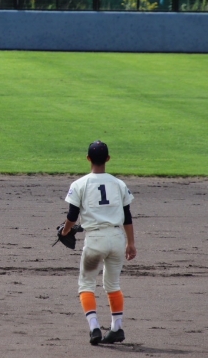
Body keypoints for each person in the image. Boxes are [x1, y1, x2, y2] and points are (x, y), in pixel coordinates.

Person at [59, 141, 136, 345]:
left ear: (88, 159)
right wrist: (131, 243)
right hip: (117, 239)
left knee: (86, 284)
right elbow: (127, 216)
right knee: (113, 284)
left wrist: (65, 231)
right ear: (108, 159)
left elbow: (72, 215)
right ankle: (117, 327)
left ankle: (94, 327)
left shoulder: (79, 184)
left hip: (95, 240)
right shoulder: (119, 184)